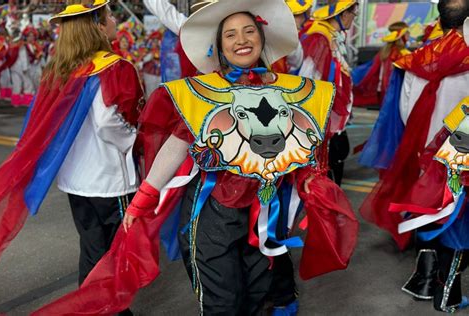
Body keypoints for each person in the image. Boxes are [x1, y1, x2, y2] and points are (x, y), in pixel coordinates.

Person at [32, 0, 358, 314]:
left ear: (262, 37)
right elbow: (175, 146)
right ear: (219, 46)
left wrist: (311, 181)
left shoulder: (290, 89)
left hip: (263, 215)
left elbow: (300, 148)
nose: (241, 40)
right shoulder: (201, 93)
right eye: (230, 34)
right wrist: (144, 198)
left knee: (258, 298)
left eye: (249, 31)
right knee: (223, 303)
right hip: (212, 216)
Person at [0, 0, 144, 304]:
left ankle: (91, 304)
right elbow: (107, 121)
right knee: (113, 250)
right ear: (98, 26)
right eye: (109, 17)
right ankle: (106, 307)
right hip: (109, 178)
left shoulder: (63, 69)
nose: (115, 22)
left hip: (76, 178)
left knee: (91, 246)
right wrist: (134, 138)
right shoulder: (113, 67)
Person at [359, 0, 469, 251]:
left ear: (439, 22)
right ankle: (440, 280)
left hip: (424, 155)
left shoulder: (416, 60)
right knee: (460, 220)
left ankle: (428, 271)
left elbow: (405, 114)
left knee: (429, 210)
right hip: (463, 154)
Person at [390, 96, 469, 312]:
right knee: (457, 244)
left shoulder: (465, 103)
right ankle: (446, 299)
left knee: (442, 236)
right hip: (458, 189)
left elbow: (440, 142)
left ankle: (425, 285)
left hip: (443, 183)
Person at [298, 0, 358, 186]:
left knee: (338, 153)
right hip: (321, 113)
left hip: (332, 111)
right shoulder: (320, 37)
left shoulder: (331, 37)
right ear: (343, 14)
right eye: (352, 14)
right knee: (331, 156)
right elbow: (308, 77)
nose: (354, 18)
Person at [352, 21, 411, 108]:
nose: (409, 35)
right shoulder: (399, 53)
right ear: (402, 36)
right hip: (394, 91)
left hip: (383, 90)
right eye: (407, 33)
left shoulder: (385, 51)